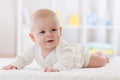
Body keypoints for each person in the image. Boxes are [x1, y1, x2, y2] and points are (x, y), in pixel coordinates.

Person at [2, 9, 109, 72]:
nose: (49, 35)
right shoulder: (33, 48)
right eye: (42, 32)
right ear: (33, 37)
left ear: (60, 31)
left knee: (100, 62)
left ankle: (101, 55)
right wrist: (15, 65)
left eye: (53, 30)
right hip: (71, 57)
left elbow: (67, 59)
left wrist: (58, 68)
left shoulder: (62, 46)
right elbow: (23, 58)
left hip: (80, 57)